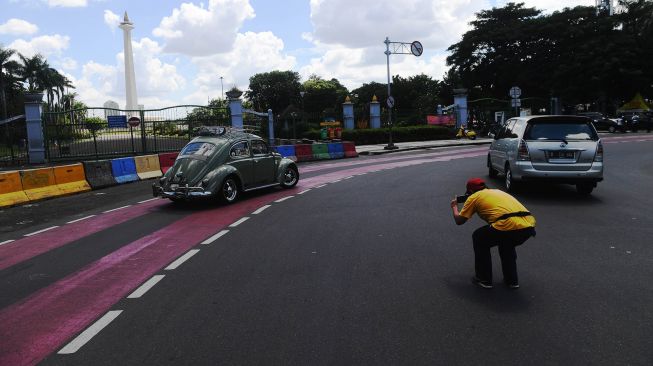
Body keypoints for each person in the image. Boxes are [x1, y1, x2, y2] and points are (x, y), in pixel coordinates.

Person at [450, 178, 536, 289]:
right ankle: (512, 281)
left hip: (506, 224)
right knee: (506, 244)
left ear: (470, 192)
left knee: (479, 237)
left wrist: (454, 207)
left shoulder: (473, 197)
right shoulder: (498, 191)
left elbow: (459, 220)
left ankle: (484, 279)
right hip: (528, 226)